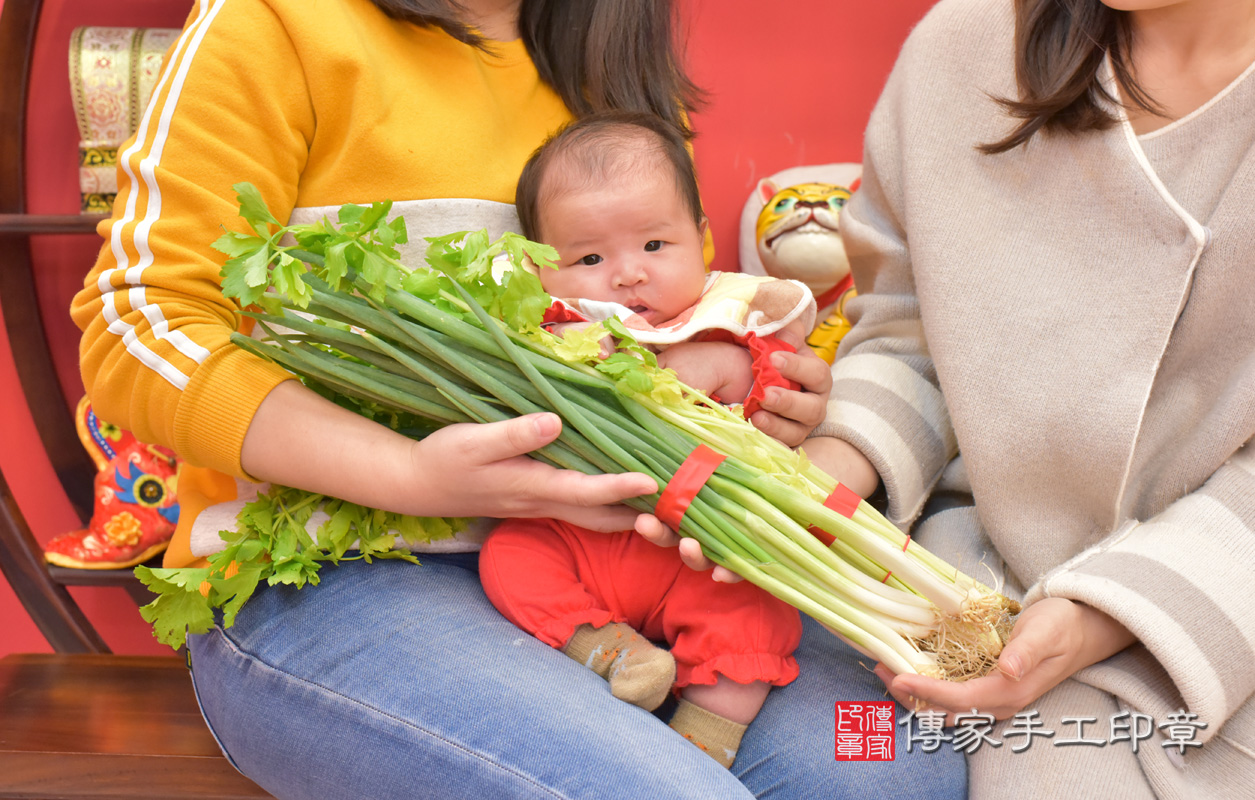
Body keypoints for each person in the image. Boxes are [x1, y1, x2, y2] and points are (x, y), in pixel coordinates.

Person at [70, 1, 966, 797]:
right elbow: (137, 322)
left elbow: (652, 343)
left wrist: (760, 399)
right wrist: (412, 477)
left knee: (893, 771)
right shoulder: (273, 22)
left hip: (633, 572)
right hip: (346, 579)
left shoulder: (609, 63)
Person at [656, 0, 1253, 796]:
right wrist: (807, 492)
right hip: (974, 581)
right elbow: (908, 331)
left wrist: (1102, 615)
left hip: (1215, 608)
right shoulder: (965, 51)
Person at [481, 113, 816, 769]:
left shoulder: (726, 320)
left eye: (654, 247)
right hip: (582, 540)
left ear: (701, 242)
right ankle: (611, 651)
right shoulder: (545, 336)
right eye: (589, 258)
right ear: (540, 270)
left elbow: (783, 392)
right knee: (510, 557)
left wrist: (740, 375)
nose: (628, 275)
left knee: (758, 608)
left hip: (704, 548)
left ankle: (705, 738)